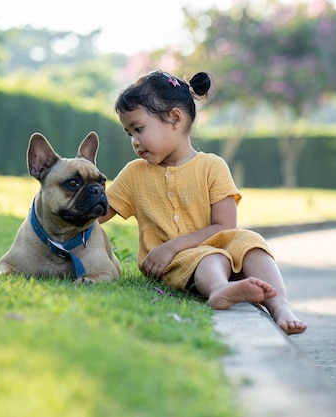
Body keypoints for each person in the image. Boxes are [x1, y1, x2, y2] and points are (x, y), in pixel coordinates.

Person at [99, 70, 307, 335]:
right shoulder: (134, 173)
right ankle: (221, 290)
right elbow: (98, 212)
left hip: (210, 247)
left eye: (138, 129)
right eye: (129, 133)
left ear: (175, 118)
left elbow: (225, 228)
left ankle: (280, 305)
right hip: (170, 264)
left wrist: (173, 245)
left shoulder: (212, 166)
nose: (134, 142)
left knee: (251, 242)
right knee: (209, 256)